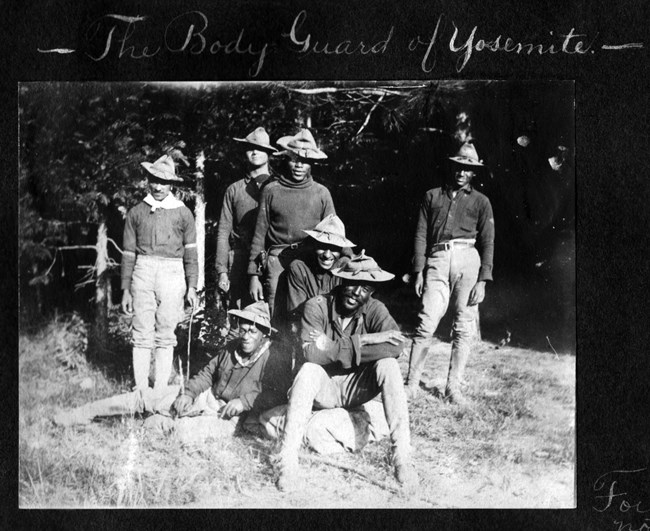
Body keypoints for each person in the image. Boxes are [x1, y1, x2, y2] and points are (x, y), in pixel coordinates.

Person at [274, 252, 417, 492]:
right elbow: (313, 354)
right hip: (325, 385)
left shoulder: (375, 309)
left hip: (356, 386)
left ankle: (402, 457)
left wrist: (333, 348)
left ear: (371, 291)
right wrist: (365, 341)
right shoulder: (316, 306)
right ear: (340, 281)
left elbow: (396, 345)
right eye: (352, 284)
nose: (356, 293)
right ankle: (287, 460)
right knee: (308, 369)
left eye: (365, 288)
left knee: (389, 365)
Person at [53, 302, 292, 445]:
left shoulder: (272, 359)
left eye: (253, 331)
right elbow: (207, 374)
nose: (247, 335)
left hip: (229, 418)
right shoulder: (232, 348)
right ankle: (82, 414)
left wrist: (245, 401)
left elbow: (278, 395)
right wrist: (188, 393)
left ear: (264, 335)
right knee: (145, 397)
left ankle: (143, 425)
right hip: (207, 397)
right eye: (244, 328)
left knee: (179, 432)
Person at [405, 143, 495, 405]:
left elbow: (488, 241)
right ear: (452, 166)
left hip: (468, 260)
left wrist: (483, 280)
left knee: (464, 326)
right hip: (438, 259)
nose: (461, 172)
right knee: (426, 321)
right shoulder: (432, 196)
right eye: (458, 166)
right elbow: (421, 234)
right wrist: (419, 270)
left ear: (473, 173)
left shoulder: (481, 202)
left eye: (467, 169)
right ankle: (411, 384)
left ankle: (453, 388)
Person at [121, 154, 199, 391]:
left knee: (166, 331)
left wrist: (192, 286)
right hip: (142, 272)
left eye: (163, 182)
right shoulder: (136, 212)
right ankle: (141, 388)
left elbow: (191, 254)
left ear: (172, 184)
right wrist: (125, 289)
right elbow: (128, 254)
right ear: (147, 180)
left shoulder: (183, 213)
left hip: (172, 274)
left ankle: (161, 389)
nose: (157, 186)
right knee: (142, 332)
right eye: (153, 180)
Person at [248, 128, 336, 320]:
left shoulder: (321, 193)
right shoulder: (271, 190)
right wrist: (254, 276)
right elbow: (259, 234)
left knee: (308, 314)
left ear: (311, 164)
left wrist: (350, 260)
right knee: (277, 315)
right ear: (286, 159)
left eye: (304, 161)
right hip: (277, 260)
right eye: (294, 159)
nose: (298, 165)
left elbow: (334, 234)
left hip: (309, 262)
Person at [215, 127, 277, 314]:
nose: (255, 152)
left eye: (260, 148)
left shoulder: (280, 186)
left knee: (274, 316)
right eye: (250, 148)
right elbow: (223, 232)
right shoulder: (235, 190)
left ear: (269, 153)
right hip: (241, 261)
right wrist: (222, 272)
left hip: (273, 259)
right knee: (239, 318)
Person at [285, 214, 355, 327]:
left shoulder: (345, 266)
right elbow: (295, 315)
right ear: (314, 245)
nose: (327, 255)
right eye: (322, 246)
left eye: (334, 248)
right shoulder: (299, 268)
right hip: (308, 326)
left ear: (341, 249)